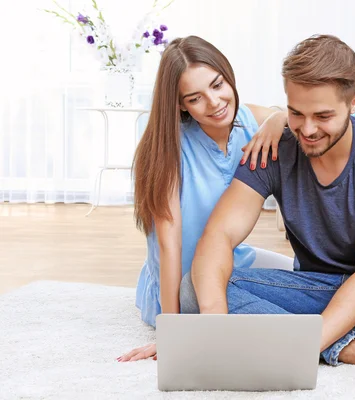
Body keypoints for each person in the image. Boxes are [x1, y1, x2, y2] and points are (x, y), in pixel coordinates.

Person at [180, 34, 355, 379]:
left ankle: (296, 338)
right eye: (296, 113)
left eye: (323, 115)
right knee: (195, 288)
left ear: (354, 101)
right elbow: (219, 234)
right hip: (316, 288)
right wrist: (213, 324)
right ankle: (352, 349)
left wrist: (297, 346)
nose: (308, 129)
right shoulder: (274, 148)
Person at [118, 35, 294, 362]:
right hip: (184, 282)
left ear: (228, 76)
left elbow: (283, 112)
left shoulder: (246, 121)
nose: (214, 103)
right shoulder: (168, 149)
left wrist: (275, 119)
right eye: (195, 98)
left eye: (217, 85)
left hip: (230, 260)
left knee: (306, 283)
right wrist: (171, 331)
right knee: (271, 318)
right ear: (180, 104)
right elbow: (168, 244)